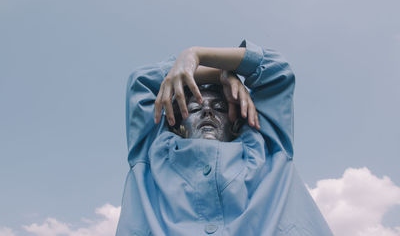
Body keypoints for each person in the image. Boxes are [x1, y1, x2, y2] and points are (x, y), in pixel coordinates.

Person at [116, 40, 333, 236]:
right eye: (194, 108)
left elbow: (275, 70)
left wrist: (195, 54)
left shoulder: (269, 146)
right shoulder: (152, 154)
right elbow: (142, 81)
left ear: (237, 122)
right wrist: (220, 74)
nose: (207, 112)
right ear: (176, 124)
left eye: (219, 107)